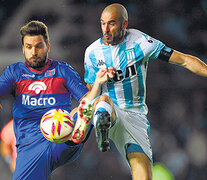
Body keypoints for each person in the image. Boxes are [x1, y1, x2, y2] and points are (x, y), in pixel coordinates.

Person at [81, 3, 207, 180]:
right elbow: (89, 95)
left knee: (143, 174)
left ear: (124, 24)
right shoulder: (92, 52)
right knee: (103, 100)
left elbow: (184, 60)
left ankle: (103, 118)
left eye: (111, 23)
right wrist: (99, 81)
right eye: (103, 23)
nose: (106, 29)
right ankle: (102, 124)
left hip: (135, 116)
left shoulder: (141, 43)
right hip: (110, 109)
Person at [0, 20, 113, 180]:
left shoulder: (62, 71)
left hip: (62, 135)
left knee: (91, 104)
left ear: (48, 47)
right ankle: (81, 122)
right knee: (82, 110)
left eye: (39, 46)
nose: (34, 52)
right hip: (31, 147)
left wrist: (97, 83)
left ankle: (82, 125)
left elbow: (85, 98)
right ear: (23, 49)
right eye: (29, 47)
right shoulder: (15, 73)